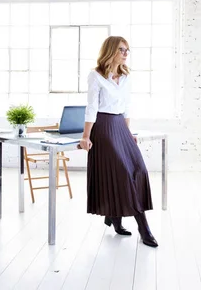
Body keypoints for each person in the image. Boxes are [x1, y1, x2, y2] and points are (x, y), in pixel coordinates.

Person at [79, 36, 158, 248]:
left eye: (127, 50)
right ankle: (144, 228)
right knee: (122, 174)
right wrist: (86, 136)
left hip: (120, 126)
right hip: (103, 127)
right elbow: (91, 108)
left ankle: (115, 217)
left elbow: (127, 106)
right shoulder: (95, 76)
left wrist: (127, 132)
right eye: (122, 49)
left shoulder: (125, 77)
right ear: (111, 50)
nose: (125, 53)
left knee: (138, 169)